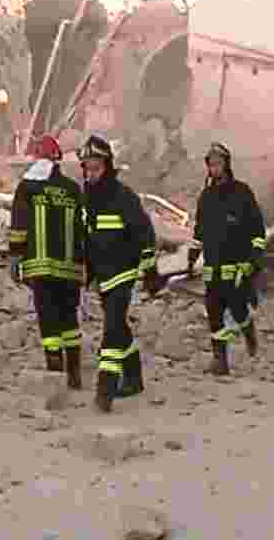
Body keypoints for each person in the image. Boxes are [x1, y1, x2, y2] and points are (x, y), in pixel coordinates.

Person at [79, 134, 162, 412]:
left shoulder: (123, 197)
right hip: (104, 275)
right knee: (119, 325)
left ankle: (106, 387)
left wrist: (150, 269)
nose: (91, 174)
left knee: (112, 328)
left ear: (108, 167)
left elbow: (145, 233)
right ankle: (135, 378)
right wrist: (87, 270)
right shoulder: (88, 199)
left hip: (124, 272)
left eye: (96, 168)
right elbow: (89, 237)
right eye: (87, 168)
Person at [9, 135, 85, 389]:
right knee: (69, 319)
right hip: (70, 269)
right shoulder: (73, 189)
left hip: (40, 268)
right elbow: (83, 227)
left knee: (48, 319)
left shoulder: (28, 187)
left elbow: (19, 224)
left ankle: (55, 372)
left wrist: (15, 256)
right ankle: (74, 373)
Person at [187, 142, 267, 375]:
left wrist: (254, 259)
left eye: (218, 164)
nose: (214, 169)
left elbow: (257, 230)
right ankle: (220, 360)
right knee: (213, 311)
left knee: (238, 309)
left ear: (227, 165)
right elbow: (199, 232)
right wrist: (192, 259)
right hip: (213, 267)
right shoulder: (206, 197)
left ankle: (248, 332)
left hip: (237, 267)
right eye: (211, 165)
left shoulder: (242, 193)